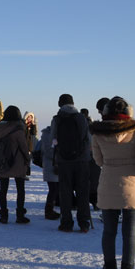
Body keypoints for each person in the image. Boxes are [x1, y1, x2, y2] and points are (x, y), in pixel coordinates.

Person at [90, 96, 135, 269]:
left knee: (109, 232)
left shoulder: (98, 133)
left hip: (108, 184)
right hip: (133, 185)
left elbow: (98, 160)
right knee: (130, 233)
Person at [51, 93, 91, 232]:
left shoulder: (57, 119)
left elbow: (53, 139)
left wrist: (56, 154)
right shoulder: (81, 117)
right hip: (81, 160)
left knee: (65, 192)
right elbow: (87, 138)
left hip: (63, 160)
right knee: (82, 191)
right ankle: (84, 222)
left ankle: (66, 223)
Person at [0, 105, 31, 224]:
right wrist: (28, 160)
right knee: (20, 190)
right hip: (17, 163)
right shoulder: (18, 130)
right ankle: (20, 215)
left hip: (2, 162)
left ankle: (3, 215)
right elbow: (24, 147)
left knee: (3, 190)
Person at [36, 126, 60, 220]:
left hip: (52, 165)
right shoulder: (49, 135)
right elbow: (49, 151)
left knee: (54, 189)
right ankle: (49, 211)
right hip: (52, 165)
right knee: (53, 189)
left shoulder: (49, 134)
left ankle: (50, 210)